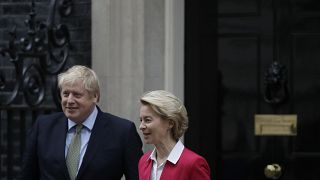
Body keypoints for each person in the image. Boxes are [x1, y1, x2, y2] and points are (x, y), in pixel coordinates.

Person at [19, 65, 143, 180]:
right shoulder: (43, 127)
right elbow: (27, 175)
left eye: (77, 95)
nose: (69, 100)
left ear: (95, 96)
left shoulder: (122, 132)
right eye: (66, 94)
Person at [138, 90, 211, 180]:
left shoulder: (193, 163)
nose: (141, 126)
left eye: (148, 120)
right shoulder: (144, 161)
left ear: (170, 123)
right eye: (141, 120)